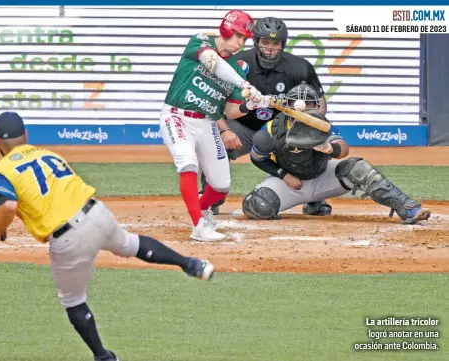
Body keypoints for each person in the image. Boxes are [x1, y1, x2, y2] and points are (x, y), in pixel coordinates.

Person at [0, 111, 216, 361]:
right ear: (26, 135)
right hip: (97, 213)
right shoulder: (48, 155)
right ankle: (191, 264)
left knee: (73, 300)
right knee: (130, 244)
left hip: (69, 238)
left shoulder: (0, 171)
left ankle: (103, 357)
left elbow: (8, 207)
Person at [241, 83, 432, 226]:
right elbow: (258, 157)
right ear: (289, 106)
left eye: (310, 105)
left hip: (321, 176)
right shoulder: (273, 128)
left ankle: (408, 208)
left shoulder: (322, 124)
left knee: (359, 168)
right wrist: (283, 175)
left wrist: (332, 149)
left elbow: (343, 147)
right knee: (258, 206)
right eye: (300, 105)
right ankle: (311, 201)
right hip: (289, 183)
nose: (305, 109)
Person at [200, 17, 331, 216]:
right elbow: (217, 102)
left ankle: (315, 199)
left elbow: (320, 103)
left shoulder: (300, 68)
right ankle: (212, 198)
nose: (270, 48)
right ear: (257, 42)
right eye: (265, 42)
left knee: (311, 139)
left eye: (275, 43)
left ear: (283, 44)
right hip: (243, 126)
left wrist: (309, 127)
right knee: (214, 140)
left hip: (281, 130)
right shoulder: (238, 63)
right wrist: (225, 129)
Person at [159, 9, 270, 242]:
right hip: (177, 117)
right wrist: (244, 83)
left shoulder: (237, 67)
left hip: (207, 123)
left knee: (221, 185)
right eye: (238, 36)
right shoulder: (200, 41)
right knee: (187, 163)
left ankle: (201, 211)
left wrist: (251, 103)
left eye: (244, 39)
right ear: (226, 29)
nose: (240, 43)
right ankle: (199, 226)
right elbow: (213, 63)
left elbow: (229, 111)